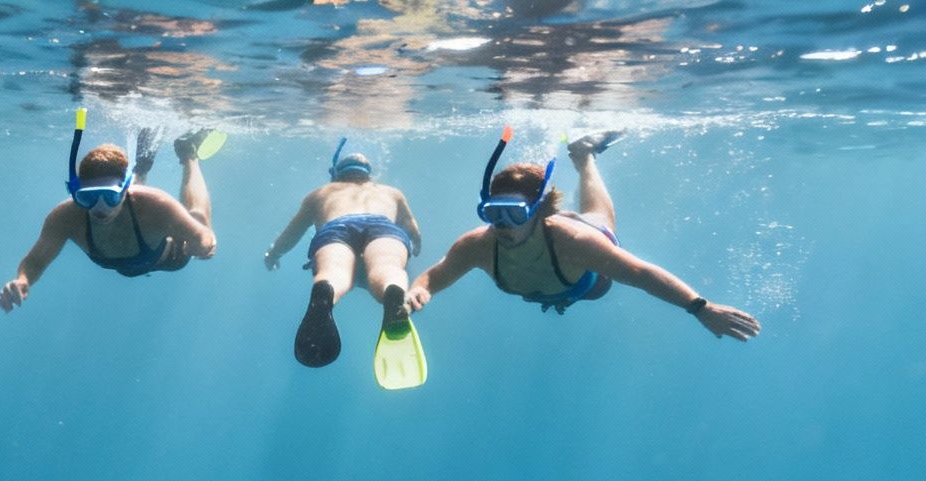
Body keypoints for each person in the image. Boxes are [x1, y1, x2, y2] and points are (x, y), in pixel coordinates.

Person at [408, 129, 761, 341]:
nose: (501, 224)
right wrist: (417, 292)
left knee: (599, 221)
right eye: (492, 213)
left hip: (585, 274)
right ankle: (582, 157)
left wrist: (700, 307)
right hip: (553, 276)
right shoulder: (477, 246)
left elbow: (639, 273)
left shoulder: (575, 243)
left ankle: (585, 155)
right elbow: (435, 275)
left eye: (513, 214)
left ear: (539, 212)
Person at [0, 124, 225, 311]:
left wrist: (205, 244)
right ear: (77, 193)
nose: (100, 208)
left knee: (197, 219)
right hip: (134, 248)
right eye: (88, 198)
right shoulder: (66, 217)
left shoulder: (156, 205)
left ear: (124, 191)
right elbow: (37, 260)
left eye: (109, 197)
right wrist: (23, 280)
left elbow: (202, 236)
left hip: (171, 257)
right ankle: (141, 165)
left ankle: (188, 153)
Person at [263, 140, 424, 368]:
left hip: (336, 227)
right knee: (388, 267)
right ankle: (393, 295)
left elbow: (293, 232)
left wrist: (274, 253)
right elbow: (411, 226)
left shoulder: (321, 193)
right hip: (383, 227)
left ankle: (324, 296)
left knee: (334, 271)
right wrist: (416, 244)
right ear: (369, 174)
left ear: (337, 174)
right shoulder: (391, 193)